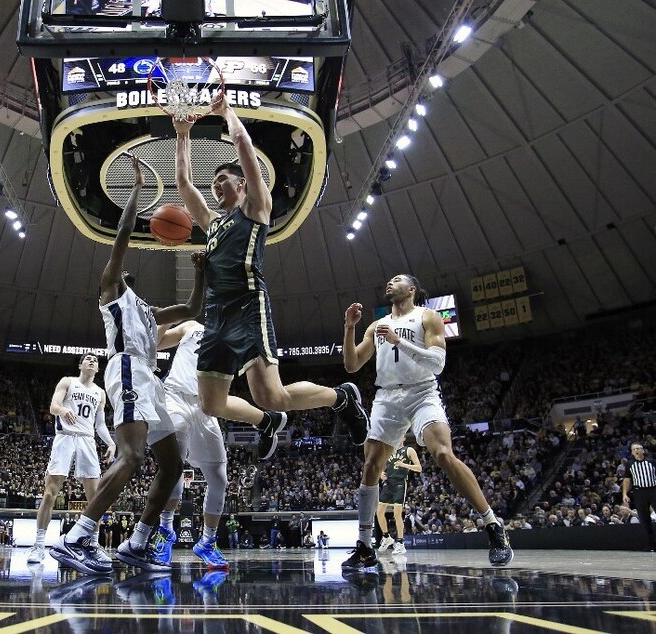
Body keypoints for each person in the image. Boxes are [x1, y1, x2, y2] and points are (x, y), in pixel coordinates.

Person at [173, 100, 368, 460]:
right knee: (211, 403)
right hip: (216, 317)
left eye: (222, 180)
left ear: (242, 184)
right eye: (214, 183)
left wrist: (227, 113)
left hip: (248, 305)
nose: (216, 187)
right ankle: (265, 423)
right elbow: (184, 184)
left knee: (273, 396)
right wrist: (182, 135)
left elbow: (245, 149)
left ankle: (342, 398)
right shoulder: (213, 224)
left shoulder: (255, 208)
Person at [49, 155, 206, 575]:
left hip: (149, 379)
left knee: (173, 464)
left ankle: (137, 543)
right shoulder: (110, 295)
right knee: (133, 456)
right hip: (127, 370)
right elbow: (120, 235)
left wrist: (202, 271)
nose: (122, 273)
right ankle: (78, 536)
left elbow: (192, 307)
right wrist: (137, 190)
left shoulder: (149, 310)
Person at [340, 274, 513, 570]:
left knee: (444, 454)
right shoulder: (375, 326)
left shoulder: (427, 316)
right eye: (388, 281)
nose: (388, 283)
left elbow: (438, 364)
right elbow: (352, 365)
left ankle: (493, 525)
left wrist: (399, 342)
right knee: (370, 466)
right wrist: (349, 328)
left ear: (411, 289)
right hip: (387, 397)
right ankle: (365, 544)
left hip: (422, 392)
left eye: (395, 280)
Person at [152, 320, 230, 568]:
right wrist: (164, 320)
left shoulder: (234, 334)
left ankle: (207, 542)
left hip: (206, 405)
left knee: (219, 478)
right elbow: (154, 344)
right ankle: (165, 531)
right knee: (174, 464)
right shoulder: (192, 326)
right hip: (174, 396)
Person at [28, 354, 115, 564]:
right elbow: (53, 406)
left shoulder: (99, 393)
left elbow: (100, 425)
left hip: (87, 440)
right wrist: (63, 410)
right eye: (88, 358)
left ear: (97, 369)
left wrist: (111, 443)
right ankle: (39, 545)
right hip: (65, 438)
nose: (92, 361)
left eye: (95, 360)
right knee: (50, 493)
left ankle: (93, 544)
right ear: (80, 365)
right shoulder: (68, 381)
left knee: (95, 499)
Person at [376, 444, 422, 555]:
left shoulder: (409, 450)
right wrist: (381, 473)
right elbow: (381, 465)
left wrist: (404, 464)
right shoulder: (388, 450)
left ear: (403, 437)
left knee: (397, 514)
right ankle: (387, 537)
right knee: (379, 512)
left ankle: (401, 543)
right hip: (388, 483)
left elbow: (419, 468)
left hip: (400, 483)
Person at [623, 442, 656, 551]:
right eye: (634, 449)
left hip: (653, 489)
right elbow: (627, 479)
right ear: (632, 452)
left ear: (643, 450)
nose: (637, 450)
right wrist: (624, 493)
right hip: (639, 492)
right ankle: (651, 545)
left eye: (639, 448)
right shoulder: (630, 464)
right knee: (644, 519)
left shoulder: (651, 461)